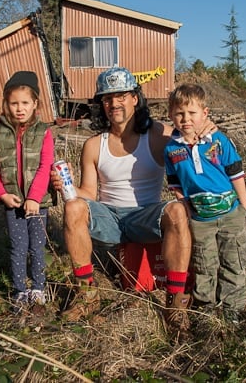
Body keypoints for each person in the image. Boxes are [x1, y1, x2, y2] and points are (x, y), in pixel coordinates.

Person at [50, 66, 215, 339]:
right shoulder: (94, 145)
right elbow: (90, 192)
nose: (114, 103)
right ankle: (87, 293)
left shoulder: (160, 135)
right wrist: (67, 188)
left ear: (135, 98)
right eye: (106, 98)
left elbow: (193, 139)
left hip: (146, 215)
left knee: (176, 210)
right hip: (110, 218)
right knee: (73, 206)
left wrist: (207, 130)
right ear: (101, 104)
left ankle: (174, 303)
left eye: (121, 96)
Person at [164, 83, 246, 323]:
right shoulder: (171, 148)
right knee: (204, 265)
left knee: (234, 262)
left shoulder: (218, 141)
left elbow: (236, 173)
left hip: (230, 214)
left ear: (205, 113)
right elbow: (174, 182)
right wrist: (185, 207)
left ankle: (233, 312)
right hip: (200, 220)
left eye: (192, 113)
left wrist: (243, 207)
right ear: (171, 115)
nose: (186, 119)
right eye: (179, 114)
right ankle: (206, 313)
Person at [0, 71, 55, 314]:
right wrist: (1, 194)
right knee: (18, 245)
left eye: (25, 103)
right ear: (6, 104)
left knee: (37, 245)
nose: (19, 109)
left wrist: (35, 197)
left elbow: (46, 165)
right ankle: (19, 289)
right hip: (12, 201)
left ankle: (38, 287)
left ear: (35, 104)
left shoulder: (43, 132)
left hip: (37, 204)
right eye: (14, 103)